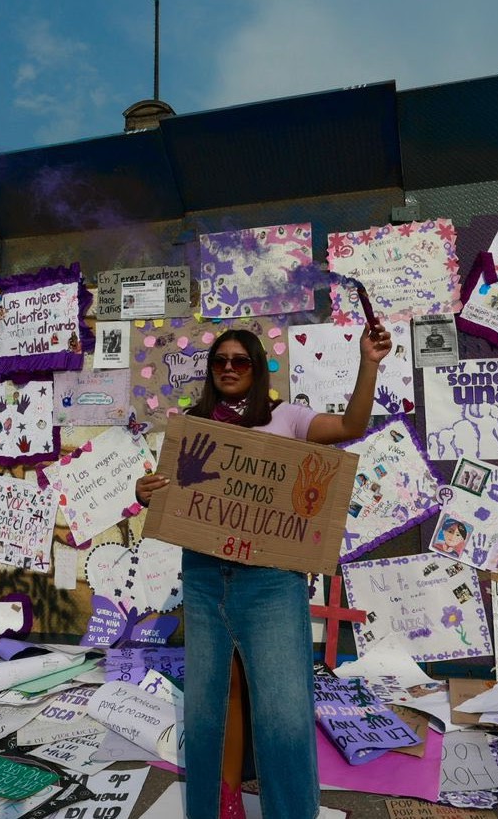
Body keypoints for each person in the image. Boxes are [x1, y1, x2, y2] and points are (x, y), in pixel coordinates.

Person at [135, 323, 392, 819]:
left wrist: (370, 363)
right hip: (206, 574)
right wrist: (145, 491)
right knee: (211, 702)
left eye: (240, 360)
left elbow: (351, 427)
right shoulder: (193, 425)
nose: (229, 368)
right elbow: (167, 491)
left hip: (271, 580)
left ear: (256, 368)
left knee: (282, 705)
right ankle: (219, 802)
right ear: (211, 372)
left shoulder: (286, 418)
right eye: (220, 361)